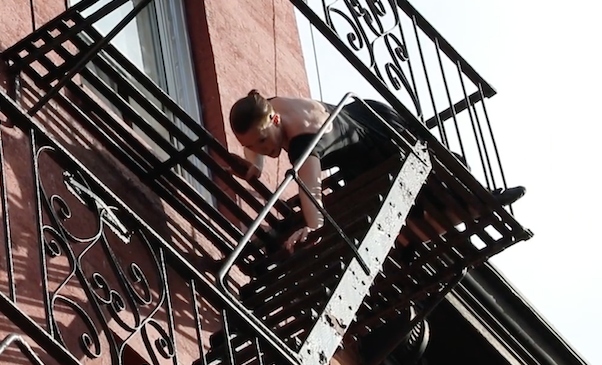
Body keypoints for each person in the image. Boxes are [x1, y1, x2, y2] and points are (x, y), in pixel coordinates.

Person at [225, 90, 525, 251]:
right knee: (405, 215)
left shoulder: (304, 141)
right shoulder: (268, 106)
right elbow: (253, 136)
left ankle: (479, 202)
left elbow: (311, 191)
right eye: (255, 145)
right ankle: (476, 199)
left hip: (380, 142)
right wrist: (255, 166)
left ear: (275, 121)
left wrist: (313, 227)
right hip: (364, 123)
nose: (263, 148)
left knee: (418, 207)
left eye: (264, 141)